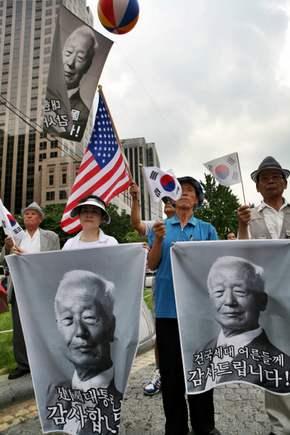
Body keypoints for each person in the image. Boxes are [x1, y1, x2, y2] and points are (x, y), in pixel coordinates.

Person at [148, 176, 220, 435]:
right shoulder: (160, 227)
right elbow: (152, 264)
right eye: (180, 190)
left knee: (200, 369)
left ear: (197, 199)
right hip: (167, 310)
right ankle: (175, 426)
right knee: (171, 373)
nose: (185, 194)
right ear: (171, 198)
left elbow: (215, 265)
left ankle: (205, 426)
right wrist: (157, 240)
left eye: (190, 191)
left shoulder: (206, 228)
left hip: (198, 311)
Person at [237, 156, 290, 435]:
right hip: (268, 298)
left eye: (276, 176)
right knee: (277, 359)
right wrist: (242, 225)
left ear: (284, 182)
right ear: (257, 188)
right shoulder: (250, 216)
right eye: (264, 178)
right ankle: (280, 426)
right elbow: (244, 256)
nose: (270, 180)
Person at [189, 256, 290, 392]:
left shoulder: (280, 366)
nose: (229, 301)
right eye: (219, 292)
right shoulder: (203, 351)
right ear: (210, 299)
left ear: (262, 301)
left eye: (240, 292)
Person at [48, 269, 122, 435]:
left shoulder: (122, 391)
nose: (80, 331)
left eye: (89, 317)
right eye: (67, 320)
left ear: (111, 327)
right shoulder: (52, 394)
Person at [0, 202, 60, 379]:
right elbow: (3, 261)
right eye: (26, 214)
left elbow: (54, 261)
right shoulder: (14, 237)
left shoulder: (51, 236)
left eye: (33, 214)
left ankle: (47, 360)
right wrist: (8, 247)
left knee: (44, 325)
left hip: (42, 287)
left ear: (40, 219)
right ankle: (23, 363)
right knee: (19, 326)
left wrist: (28, 256)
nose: (28, 216)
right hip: (20, 286)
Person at [129, 180, 176, 396]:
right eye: (166, 199)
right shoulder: (156, 225)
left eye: (173, 198)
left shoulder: (201, 227)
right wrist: (136, 197)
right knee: (162, 333)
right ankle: (160, 372)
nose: (168, 201)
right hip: (164, 288)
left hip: (189, 291)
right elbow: (136, 223)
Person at [62, 25, 97, 140]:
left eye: (80, 58)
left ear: (88, 66)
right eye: (68, 53)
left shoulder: (81, 114)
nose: (71, 63)